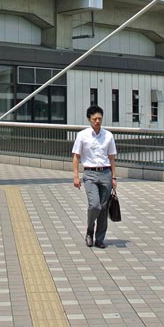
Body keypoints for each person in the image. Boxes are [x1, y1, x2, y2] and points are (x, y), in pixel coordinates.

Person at [72, 105, 117, 249]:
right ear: (89, 119)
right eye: (94, 119)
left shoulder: (108, 135)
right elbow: (76, 156)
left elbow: (111, 158)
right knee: (95, 205)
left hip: (106, 174)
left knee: (103, 208)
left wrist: (114, 177)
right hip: (90, 174)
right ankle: (90, 230)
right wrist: (76, 176)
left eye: (99, 119)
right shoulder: (82, 135)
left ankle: (100, 238)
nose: (97, 121)